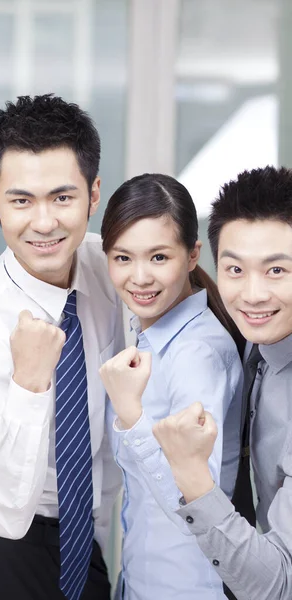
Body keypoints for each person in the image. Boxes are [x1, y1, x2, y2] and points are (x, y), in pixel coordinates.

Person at [0, 94, 124, 600]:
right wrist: (29, 382)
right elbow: (6, 512)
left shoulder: (109, 269)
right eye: (21, 201)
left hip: (82, 541)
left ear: (94, 193)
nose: (44, 223)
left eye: (62, 197)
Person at [98, 173, 243, 599]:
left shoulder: (195, 354)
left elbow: (198, 508)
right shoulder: (157, 337)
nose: (139, 277)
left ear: (193, 255)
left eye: (158, 257)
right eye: (122, 258)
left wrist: (131, 414)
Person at [152, 166, 292, 600]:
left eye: (276, 271)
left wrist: (192, 474)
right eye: (235, 269)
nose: (252, 294)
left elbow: (279, 585)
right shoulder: (257, 340)